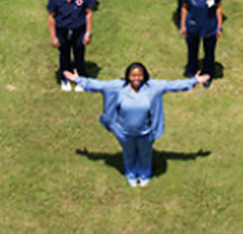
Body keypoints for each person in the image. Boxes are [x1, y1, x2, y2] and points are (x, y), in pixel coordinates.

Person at [64, 63, 209, 187]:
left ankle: (145, 174)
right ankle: (131, 173)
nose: (136, 79)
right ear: (128, 76)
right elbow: (98, 85)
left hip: (146, 132)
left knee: (145, 153)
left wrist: (194, 81)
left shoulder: (153, 87)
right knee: (128, 153)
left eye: (139, 75)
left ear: (144, 75)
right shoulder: (118, 87)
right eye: (133, 75)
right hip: (123, 131)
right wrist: (78, 79)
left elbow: (173, 85)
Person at [47, 0, 96, 91]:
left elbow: (88, 13)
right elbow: (51, 16)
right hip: (62, 31)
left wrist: (88, 33)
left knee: (79, 54)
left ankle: (80, 78)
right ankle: (65, 78)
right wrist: (53, 37)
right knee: (64, 54)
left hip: (79, 30)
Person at [179, 0, 225, 79]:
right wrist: (183, 25)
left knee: (209, 53)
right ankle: (192, 73)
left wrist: (219, 26)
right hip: (193, 26)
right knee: (192, 51)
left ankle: (207, 74)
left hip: (210, 26)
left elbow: (218, 8)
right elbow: (184, 7)